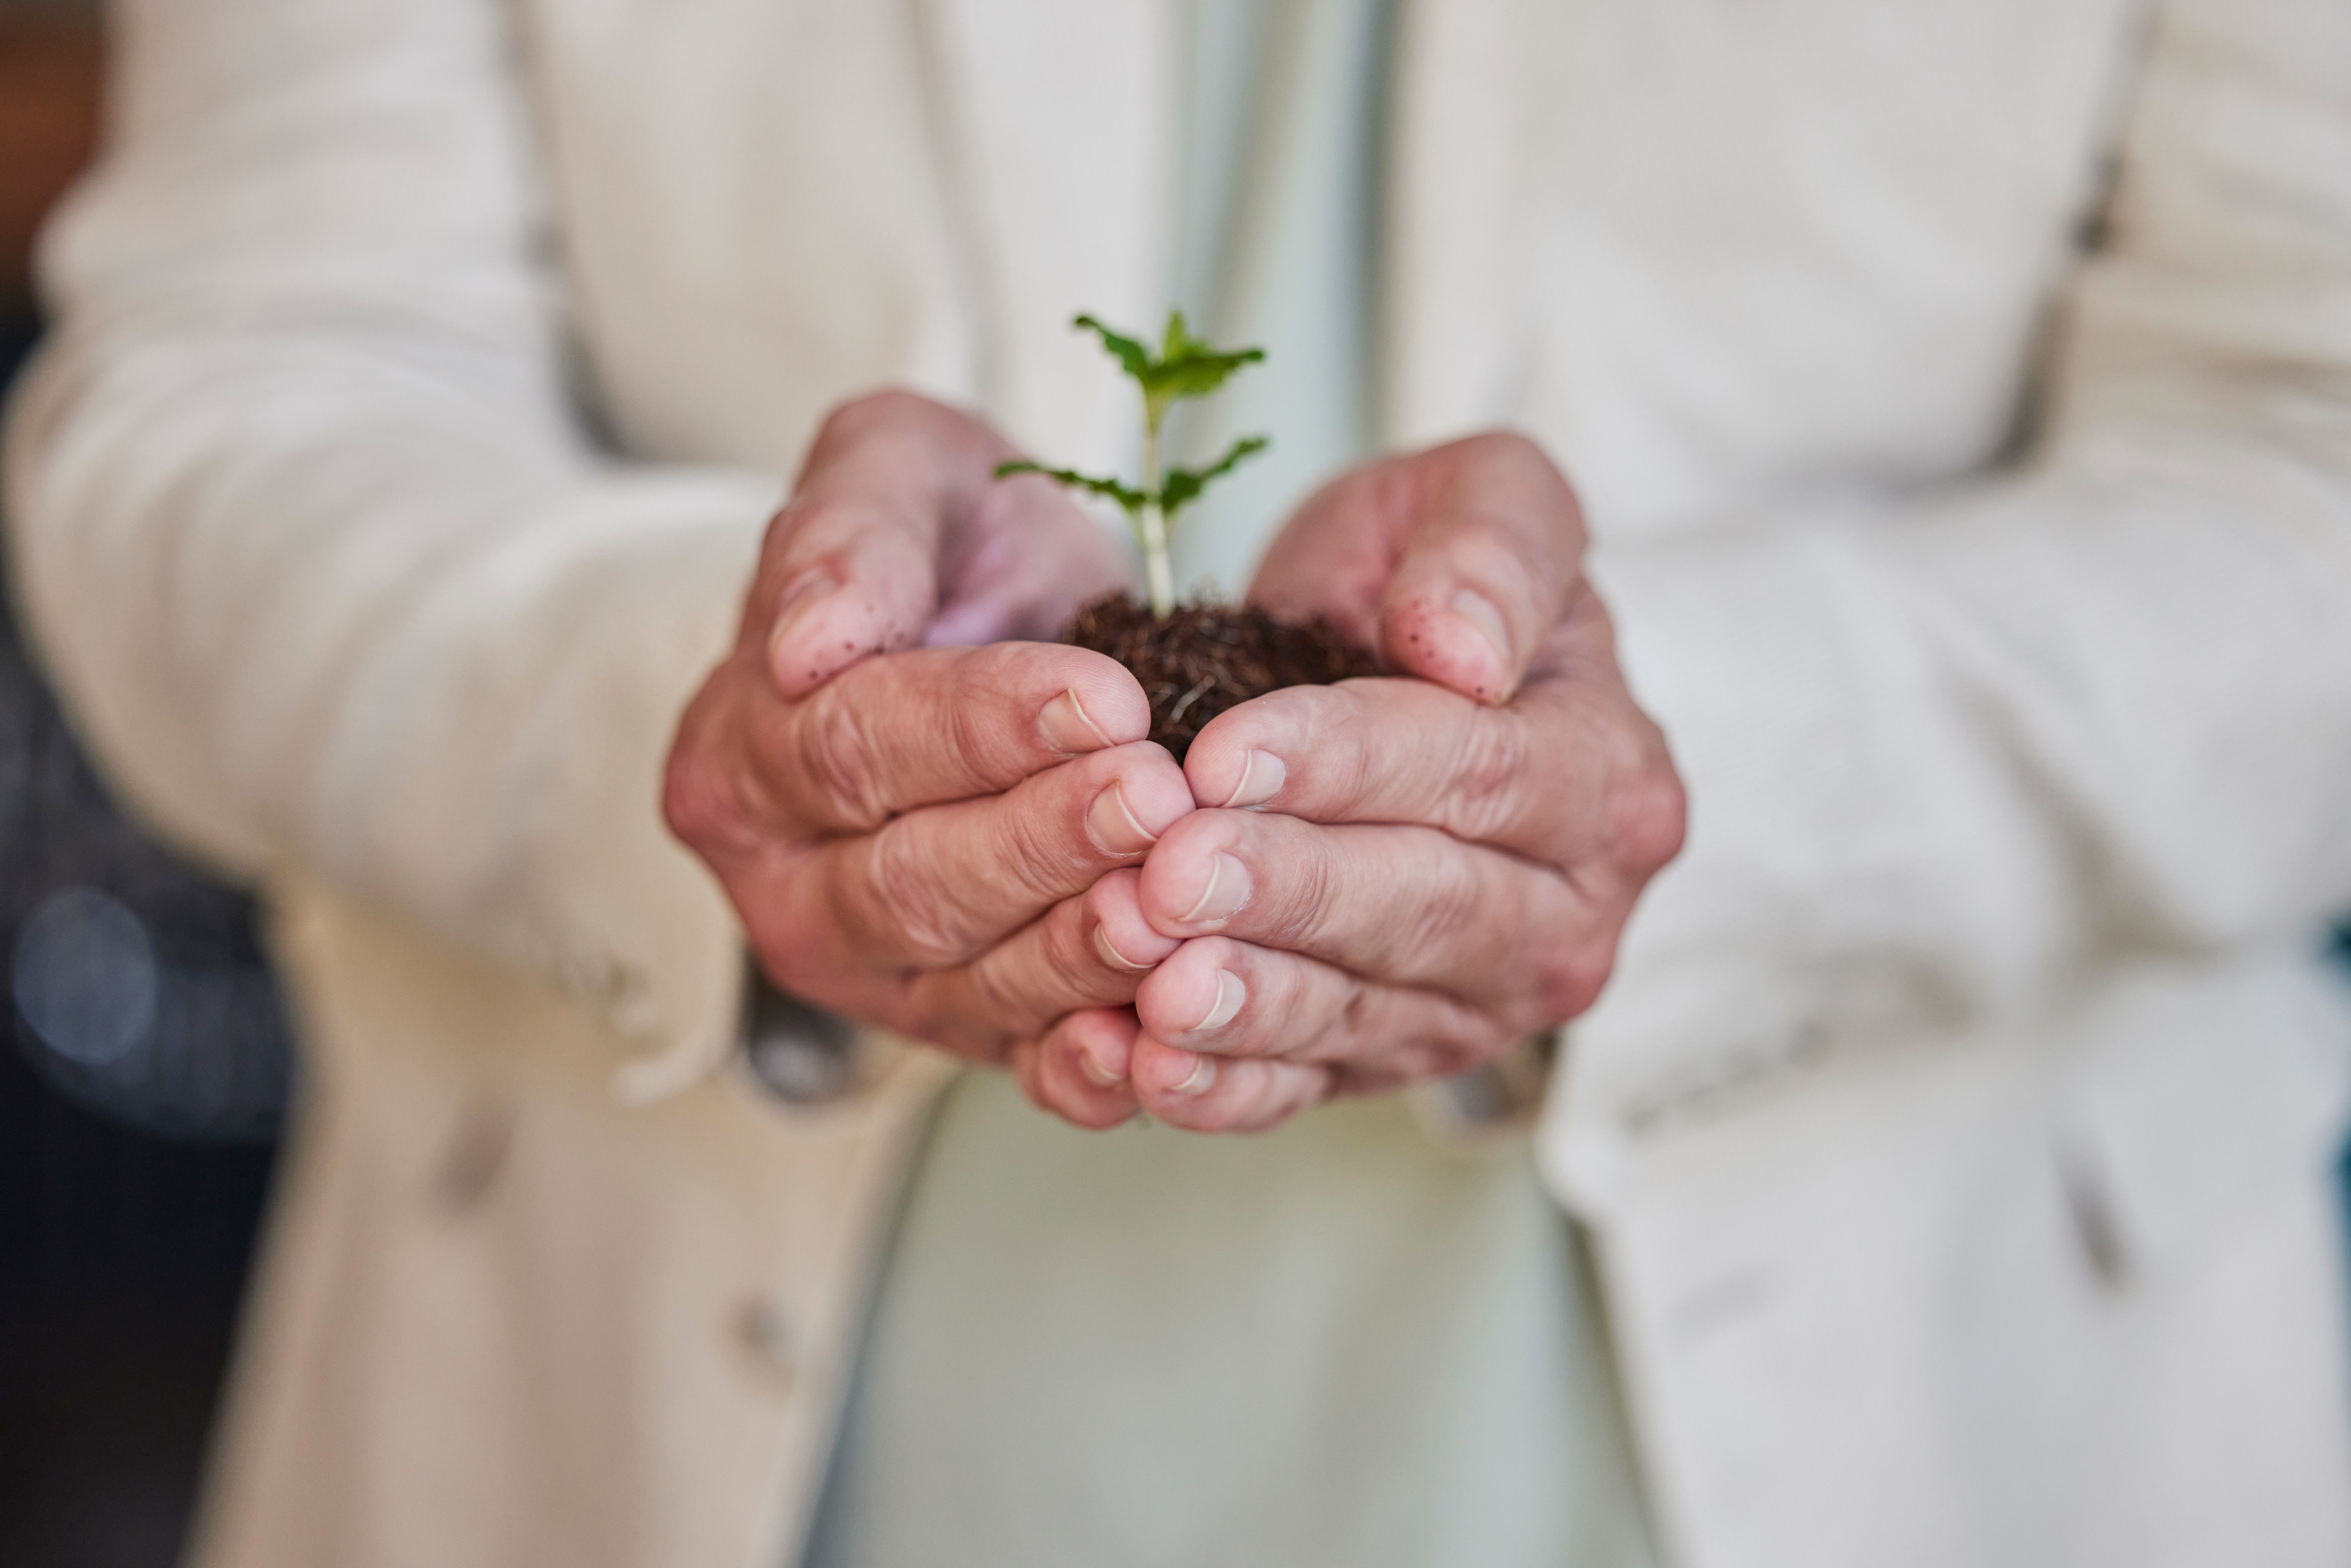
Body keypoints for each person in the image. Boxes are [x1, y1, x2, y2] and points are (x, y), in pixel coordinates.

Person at [8, 0, 2351, 1564]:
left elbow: (2301, 438)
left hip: (1921, 1421)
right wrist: (712, 710)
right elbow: (224, 393)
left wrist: (1695, 767)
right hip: (648, 1420)